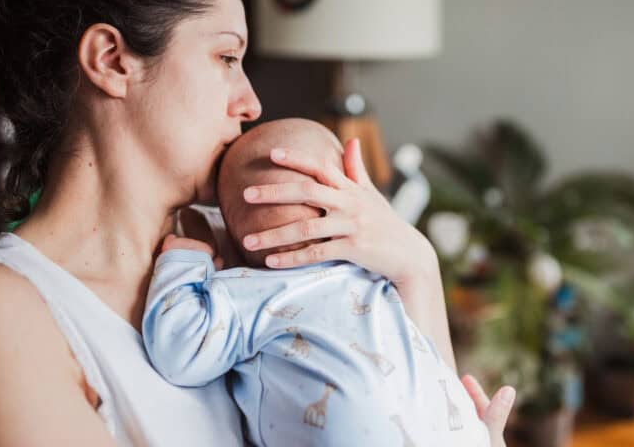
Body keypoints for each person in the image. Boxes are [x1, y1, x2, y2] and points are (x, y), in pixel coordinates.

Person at [0, 0, 514, 446]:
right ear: (113, 60)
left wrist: (415, 267)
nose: (252, 102)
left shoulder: (256, 251)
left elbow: (417, 410)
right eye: (227, 57)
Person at [144, 118, 491, 446]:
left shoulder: (248, 292)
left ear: (233, 233)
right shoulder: (377, 278)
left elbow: (180, 352)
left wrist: (183, 263)